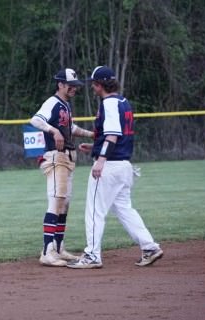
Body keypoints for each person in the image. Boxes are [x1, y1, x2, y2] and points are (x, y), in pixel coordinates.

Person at [67, 66, 163, 269]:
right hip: (123, 165)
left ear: (100, 84)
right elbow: (116, 136)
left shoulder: (109, 103)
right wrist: (95, 148)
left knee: (94, 210)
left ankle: (92, 255)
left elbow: (112, 135)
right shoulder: (123, 102)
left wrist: (100, 159)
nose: (93, 87)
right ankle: (150, 247)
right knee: (124, 209)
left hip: (110, 166)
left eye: (94, 83)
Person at [30, 68, 94, 267]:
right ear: (60, 84)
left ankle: (58, 248)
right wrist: (53, 130)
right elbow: (35, 120)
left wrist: (91, 135)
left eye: (75, 85)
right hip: (56, 157)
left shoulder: (65, 105)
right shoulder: (52, 102)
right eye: (70, 85)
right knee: (56, 202)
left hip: (68, 158)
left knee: (64, 203)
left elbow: (71, 128)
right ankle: (47, 251)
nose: (74, 88)